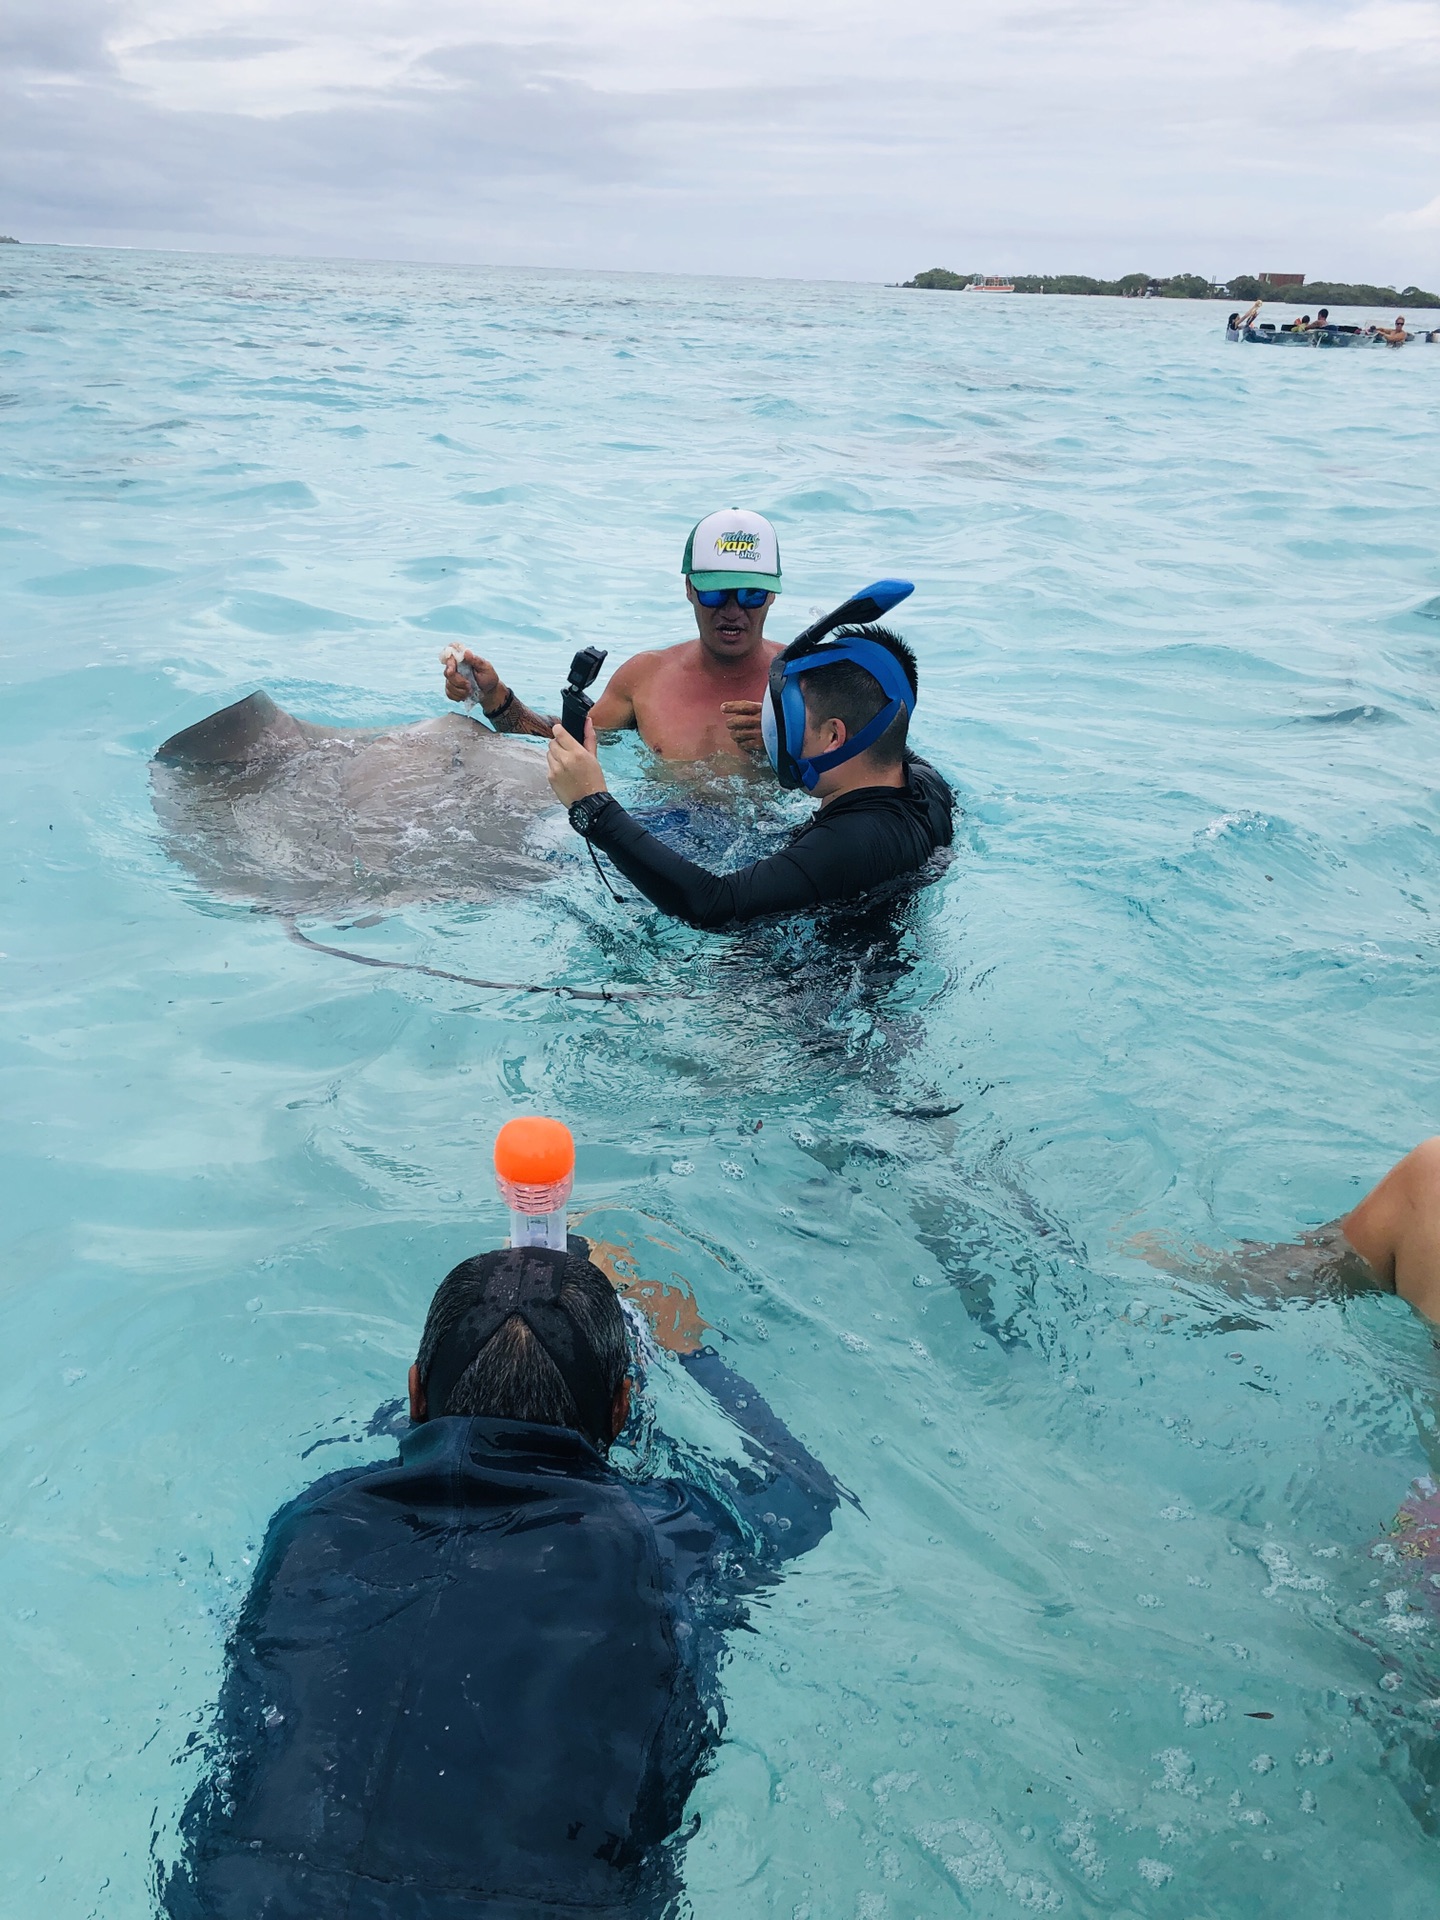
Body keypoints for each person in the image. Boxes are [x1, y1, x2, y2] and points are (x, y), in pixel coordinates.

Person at [162, 1126, 840, 1919]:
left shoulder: (316, 1525)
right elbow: (800, 1499)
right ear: (622, 1410)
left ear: (417, 1393)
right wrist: (690, 1348)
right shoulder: (660, 1542)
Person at [547, 623, 955, 928]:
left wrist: (593, 806)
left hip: (802, 1017)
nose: (777, 729)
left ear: (834, 736)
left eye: (789, 719)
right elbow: (884, 727)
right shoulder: (924, 784)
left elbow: (712, 906)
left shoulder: (851, 842)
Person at [440, 509, 784, 766]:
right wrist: (495, 696)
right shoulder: (646, 678)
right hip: (662, 829)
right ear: (690, 589)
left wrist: (787, 742)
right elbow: (572, 742)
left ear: (772, 596)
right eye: (715, 593)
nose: (732, 609)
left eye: (751, 595)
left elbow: (836, 786)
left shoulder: (803, 682)